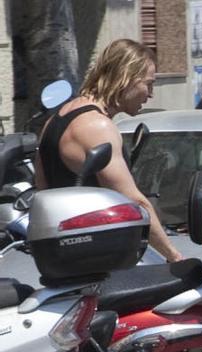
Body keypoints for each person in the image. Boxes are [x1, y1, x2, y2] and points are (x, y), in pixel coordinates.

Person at [35, 38, 183, 263]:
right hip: (97, 259)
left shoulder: (55, 120)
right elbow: (133, 202)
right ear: (126, 78)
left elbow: (43, 190)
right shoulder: (97, 126)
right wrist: (174, 256)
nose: (151, 94)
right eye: (148, 84)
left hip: (65, 256)